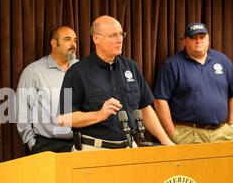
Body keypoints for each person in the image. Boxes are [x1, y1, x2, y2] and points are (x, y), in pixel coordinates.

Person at [58, 15, 174, 150]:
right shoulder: (76, 72)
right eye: (113, 36)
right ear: (96, 38)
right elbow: (63, 119)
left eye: (121, 34)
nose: (119, 40)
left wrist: (166, 141)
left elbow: (144, 108)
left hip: (129, 147)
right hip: (93, 149)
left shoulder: (131, 67)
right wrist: (98, 115)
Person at [153, 23, 233, 144]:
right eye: (193, 38)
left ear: (208, 39)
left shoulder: (222, 60)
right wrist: (171, 131)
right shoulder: (172, 65)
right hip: (187, 134)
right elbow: (160, 100)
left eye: (202, 37)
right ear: (185, 41)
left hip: (222, 134)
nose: (198, 41)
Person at [16, 26, 78, 154]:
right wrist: (32, 143)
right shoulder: (34, 71)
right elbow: (21, 109)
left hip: (80, 144)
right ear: (54, 43)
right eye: (67, 39)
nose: (73, 44)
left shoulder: (82, 69)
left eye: (75, 40)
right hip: (47, 146)